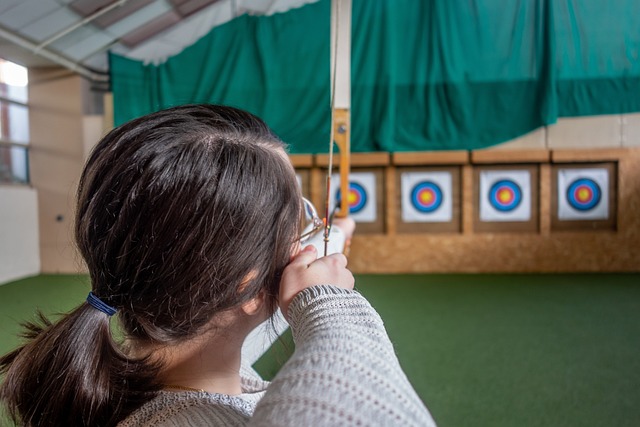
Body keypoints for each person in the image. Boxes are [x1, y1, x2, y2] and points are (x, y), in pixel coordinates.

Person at [0, 104, 436, 427]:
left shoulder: (146, 371)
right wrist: (328, 303)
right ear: (242, 287)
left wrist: (337, 233)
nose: (309, 240)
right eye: (299, 226)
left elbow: (233, 312)